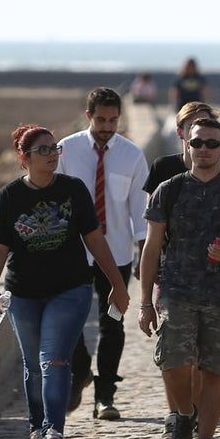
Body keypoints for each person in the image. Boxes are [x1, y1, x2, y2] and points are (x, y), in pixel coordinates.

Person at [0, 124, 129, 439]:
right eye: (44, 150)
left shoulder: (73, 190)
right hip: (23, 293)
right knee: (33, 365)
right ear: (24, 158)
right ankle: (36, 427)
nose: (52, 155)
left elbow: (94, 239)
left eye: (54, 149)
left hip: (70, 289)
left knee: (55, 359)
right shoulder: (9, 197)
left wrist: (118, 285)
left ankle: (54, 429)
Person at [138, 118, 220, 439]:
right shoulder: (170, 189)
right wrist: (145, 303)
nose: (204, 149)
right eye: (197, 143)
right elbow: (151, 248)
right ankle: (181, 414)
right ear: (187, 146)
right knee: (173, 360)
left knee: (216, 370)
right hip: (177, 292)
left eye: (212, 143)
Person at [57, 88, 149, 421]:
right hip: (74, 253)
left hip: (118, 253)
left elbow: (140, 211)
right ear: (88, 116)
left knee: (112, 323)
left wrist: (143, 256)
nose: (107, 126)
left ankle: (104, 396)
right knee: (72, 319)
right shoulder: (66, 150)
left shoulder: (132, 156)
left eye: (113, 120)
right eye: (101, 119)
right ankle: (80, 370)